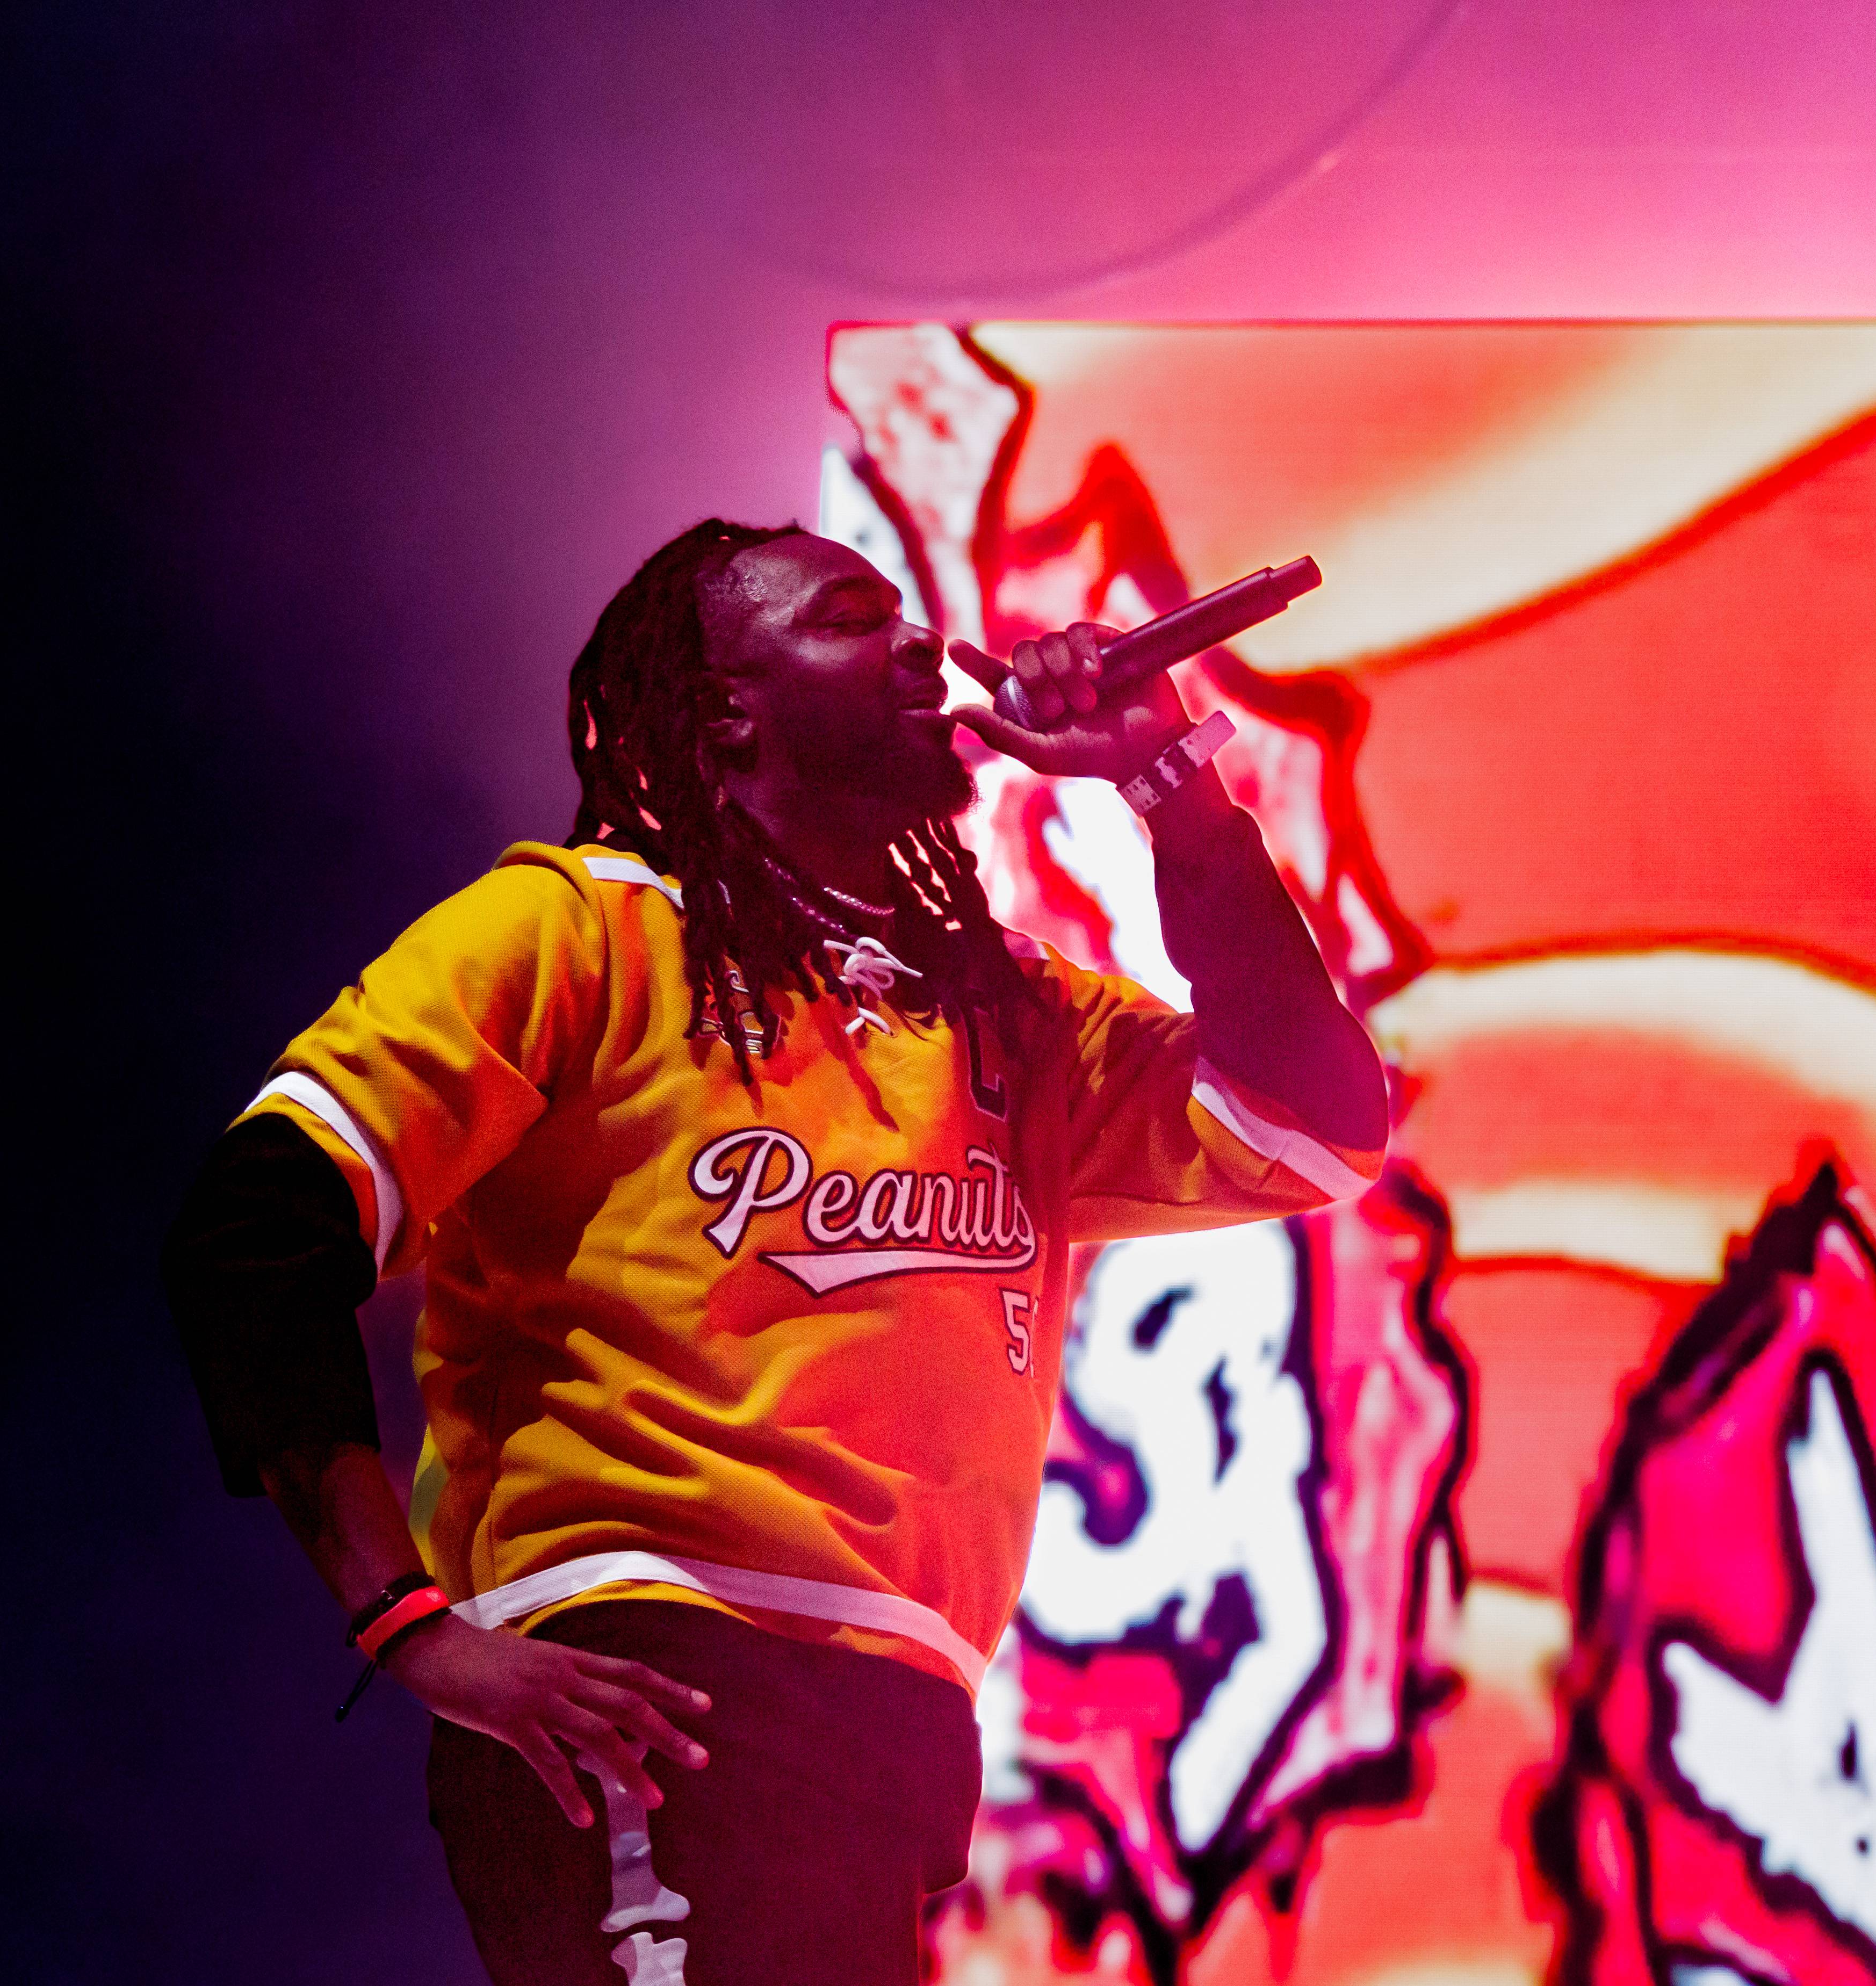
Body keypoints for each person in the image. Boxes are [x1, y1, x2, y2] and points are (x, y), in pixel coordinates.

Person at [161, 519, 1388, 1985]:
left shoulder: (1005, 1013)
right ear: (726, 709)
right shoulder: (578, 928)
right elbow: (259, 1227)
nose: (922, 643)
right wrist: (405, 1621)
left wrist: (1167, 783)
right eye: (851, 618)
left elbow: (1318, 1130)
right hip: (650, 1688)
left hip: (895, 1725)